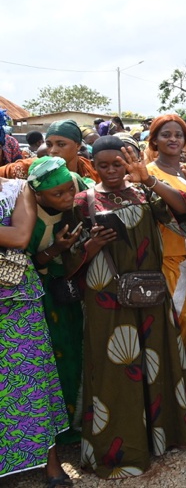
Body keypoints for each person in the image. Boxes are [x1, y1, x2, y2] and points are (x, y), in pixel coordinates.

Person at [63, 136, 186, 478]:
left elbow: (184, 211)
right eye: (103, 165)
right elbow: (67, 256)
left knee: (155, 358)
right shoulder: (83, 200)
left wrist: (149, 178)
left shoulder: (143, 192)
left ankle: (161, 437)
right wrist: (91, 246)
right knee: (115, 369)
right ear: (93, 166)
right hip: (105, 298)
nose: (111, 171)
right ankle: (121, 450)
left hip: (148, 292)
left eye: (118, 164)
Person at [0, 175, 71, 486]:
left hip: (14, 299)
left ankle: (50, 463)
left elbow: (19, 236)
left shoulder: (16, 189)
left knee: (31, 378)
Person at [25, 157, 86, 445]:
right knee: (59, 354)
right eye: (57, 194)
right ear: (38, 195)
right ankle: (62, 428)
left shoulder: (79, 193)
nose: (66, 197)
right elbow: (26, 262)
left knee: (82, 347)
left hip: (77, 285)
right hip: (46, 293)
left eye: (69, 189)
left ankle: (84, 419)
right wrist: (56, 249)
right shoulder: (26, 215)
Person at [146, 114, 186, 345]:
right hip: (169, 257)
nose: (173, 139)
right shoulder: (148, 175)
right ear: (154, 140)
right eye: (166, 135)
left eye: (179, 135)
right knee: (176, 319)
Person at [0, 119, 100, 183]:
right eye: (49, 145)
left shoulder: (89, 169)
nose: (53, 151)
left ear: (77, 146)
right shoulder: (32, 167)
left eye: (61, 144)